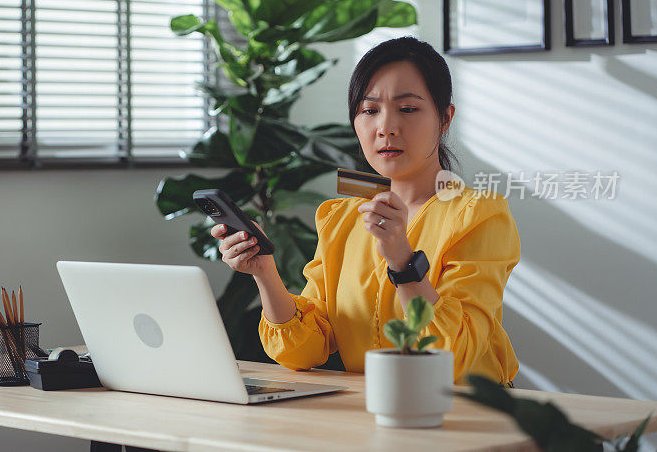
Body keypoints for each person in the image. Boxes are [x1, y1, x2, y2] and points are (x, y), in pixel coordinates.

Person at [210, 36, 520, 386]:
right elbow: (304, 350)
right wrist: (265, 272)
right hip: (375, 409)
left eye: (408, 109)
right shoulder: (341, 218)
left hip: (468, 416)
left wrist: (403, 262)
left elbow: (452, 357)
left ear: (445, 118)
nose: (385, 127)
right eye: (369, 111)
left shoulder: (479, 216)